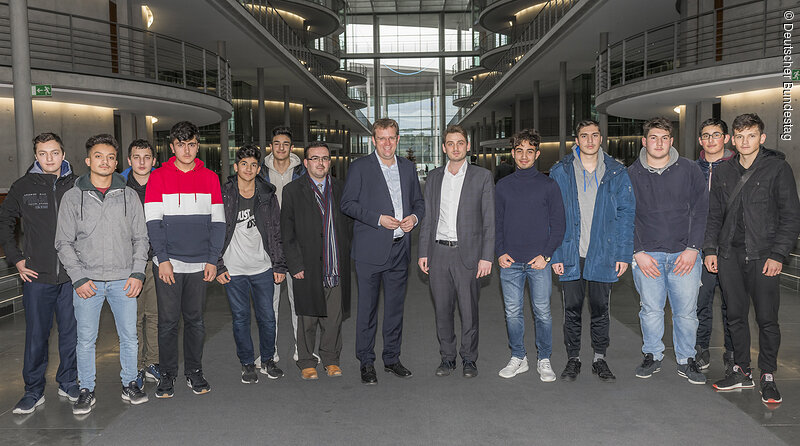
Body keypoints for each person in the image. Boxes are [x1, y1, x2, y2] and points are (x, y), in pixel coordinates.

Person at [704, 113, 800, 403]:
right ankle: (741, 371)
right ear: (733, 139)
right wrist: (710, 250)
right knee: (734, 317)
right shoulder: (722, 172)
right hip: (729, 255)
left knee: (767, 319)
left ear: (762, 138)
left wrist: (778, 254)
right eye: (740, 136)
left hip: (764, 256)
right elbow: (714, 215)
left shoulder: (777, 168)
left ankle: (768, 375)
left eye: (751, 135)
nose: (745, 141)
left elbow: (790, 217)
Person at [55, 134, 150, 414]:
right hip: (88, 282)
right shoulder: (73, 197)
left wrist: (137, 273)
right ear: (88, 161)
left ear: (116, 162)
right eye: (98, 156)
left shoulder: (129, 196)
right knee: (85, 339)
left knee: (130, 337)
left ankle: (130, 383)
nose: (105, 161)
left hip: (124, 280)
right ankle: (86, 389)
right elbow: (63, 241)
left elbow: (141, 239)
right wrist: (79, 277)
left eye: (110, 157)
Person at [144, 121, 225, 398]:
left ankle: (194, 371)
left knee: (196, 321)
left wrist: (213, 259)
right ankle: (167, 374)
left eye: (191, 144)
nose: (187, 150)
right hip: (168, 264)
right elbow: (153, 222)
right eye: (181, 144)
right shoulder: (158, 177)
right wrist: (162, 258)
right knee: (167, 322)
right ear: (172, 147)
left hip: (200, 264)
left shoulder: (211, 178)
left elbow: (218, 224)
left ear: (197, 144)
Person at [550, 120, 635, 382]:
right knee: (572, 309)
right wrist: (555, 255)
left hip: (603, 254)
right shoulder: (560, 171)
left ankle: (600, 358)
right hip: (571, 253)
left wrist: (622, 254)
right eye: (584, 136)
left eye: (594, 135)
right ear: (576, 140)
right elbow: (550, 217)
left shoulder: (616, 172)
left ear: (601, 139)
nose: (589, 140)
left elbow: (626, 214)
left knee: (600, 309)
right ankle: (573, 358)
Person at [341, 117, 425, 385]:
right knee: (367, 311)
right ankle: (366, 362)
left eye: (392, 138)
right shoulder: (360, 168)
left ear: (398, 139)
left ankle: (391, 359)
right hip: (369, 252)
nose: (387, 143)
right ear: (373, 140)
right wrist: (377, 219)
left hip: (400, 250)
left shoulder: (408, 168)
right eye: (381, 138)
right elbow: (347, 204)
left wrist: (414, 218)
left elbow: (419, 203)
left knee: (394, 310)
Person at [1, 133, 79, 415]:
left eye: (54, 152)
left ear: (63, 153)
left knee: (72, 334)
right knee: (36, 337)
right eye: (43, 153)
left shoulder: (77, 184)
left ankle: (68, 381)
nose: (49, 158)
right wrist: (16, 258)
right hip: (37, 276)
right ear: (36, 156)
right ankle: (33, 391)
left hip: (72, 276)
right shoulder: (23, 186)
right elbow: (5, 220)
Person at [628, 117, 708, 385]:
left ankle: (687, 359)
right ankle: (652, 354)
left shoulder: (690, 170)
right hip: (647, 257)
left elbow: (701, 211)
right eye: (653, 138)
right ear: (644, 141)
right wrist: (637, 251)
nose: (658, 143)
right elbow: (626, 216)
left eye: (664, 138)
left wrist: (693, 248)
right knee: (650, 310)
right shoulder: (631, 174)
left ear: (671, 141)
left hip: (683, 256)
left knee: (686, 313)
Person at [418, 125, 494, 378]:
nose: (456, 148)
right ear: (444, 148)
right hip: (439, 253)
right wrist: (423, 252)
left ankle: (469, 359)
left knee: (469, 310)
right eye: (450, 143)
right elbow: (428, 217)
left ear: (468, 145)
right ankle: (447, 358)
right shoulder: (434, 177)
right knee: (442, 309)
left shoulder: (482, 176)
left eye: (460, 143)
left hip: (469, 254)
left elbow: (489, 220)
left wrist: (486, 256)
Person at [495, 129, 565, 382]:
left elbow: (559, 225)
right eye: (519, 151)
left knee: (543, 312)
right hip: (510, 263)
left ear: (537, 155)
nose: (524, 156)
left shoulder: (549, 186)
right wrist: (499, 252)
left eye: (529, 151)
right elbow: (497, 223)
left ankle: (544, 358)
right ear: (513, 154)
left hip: (538, 263)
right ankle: (519, 357)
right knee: (512, 313)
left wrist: (545, 256)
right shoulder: (502, 186)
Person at [281, 142, 353, 380]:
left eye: (324, 158)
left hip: (335, 264)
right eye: (314, 158)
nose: (320, 163)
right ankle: (306, 361)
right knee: (307, 317)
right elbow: (286, 231)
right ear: (306, 163)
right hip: (307, 265)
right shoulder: (292, 191)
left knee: (333, 318)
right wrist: (295, 264)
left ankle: (331, 360)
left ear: (330, 162)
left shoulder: (342, 189)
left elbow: (350, 224)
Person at [217, 144, 287, 384]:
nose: (248, 168)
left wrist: (279, 265)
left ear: (259, 169)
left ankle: (268, 360)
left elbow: (276, 231)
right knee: (240, 318)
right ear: (236, 166)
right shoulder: (223, 193)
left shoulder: (267, 194)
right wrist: (218, 265)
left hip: (263, 268)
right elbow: (214, 230)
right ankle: (247, 363)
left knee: (268, 317)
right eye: (244, 164)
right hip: (233, 270)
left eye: (253, 164)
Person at [260, 126, 306, 367]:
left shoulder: (301, 171)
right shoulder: (259, 172)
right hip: (268, 246)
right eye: (276, 143)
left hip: (296, 244)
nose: (280, 148)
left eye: (285, 144)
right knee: (269, 304)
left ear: (291, 147)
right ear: (271, 146)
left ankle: (302, 351)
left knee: (298, 303)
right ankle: (270, 353)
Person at [693, 118, 735, 372]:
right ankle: (701, 348)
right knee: (701, 302)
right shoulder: (690, 169)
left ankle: (732, 352)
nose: (711, 140)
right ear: (700, 140)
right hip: (698, 248)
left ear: (726, 138)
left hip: (730, 248)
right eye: (706, 135)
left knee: (732, 304)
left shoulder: (737, 167)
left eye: (716, 135)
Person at [121, 139, 162, 388]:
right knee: (132, 318)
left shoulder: (163, 183)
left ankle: (152, 363)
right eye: (137, 157)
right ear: (129, 160)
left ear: (154, 160)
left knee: (155, 315)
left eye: (147, 157)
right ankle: (134, 366)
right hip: (128, 262)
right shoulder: (119, 186)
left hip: (157, 259)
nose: (142, 162)